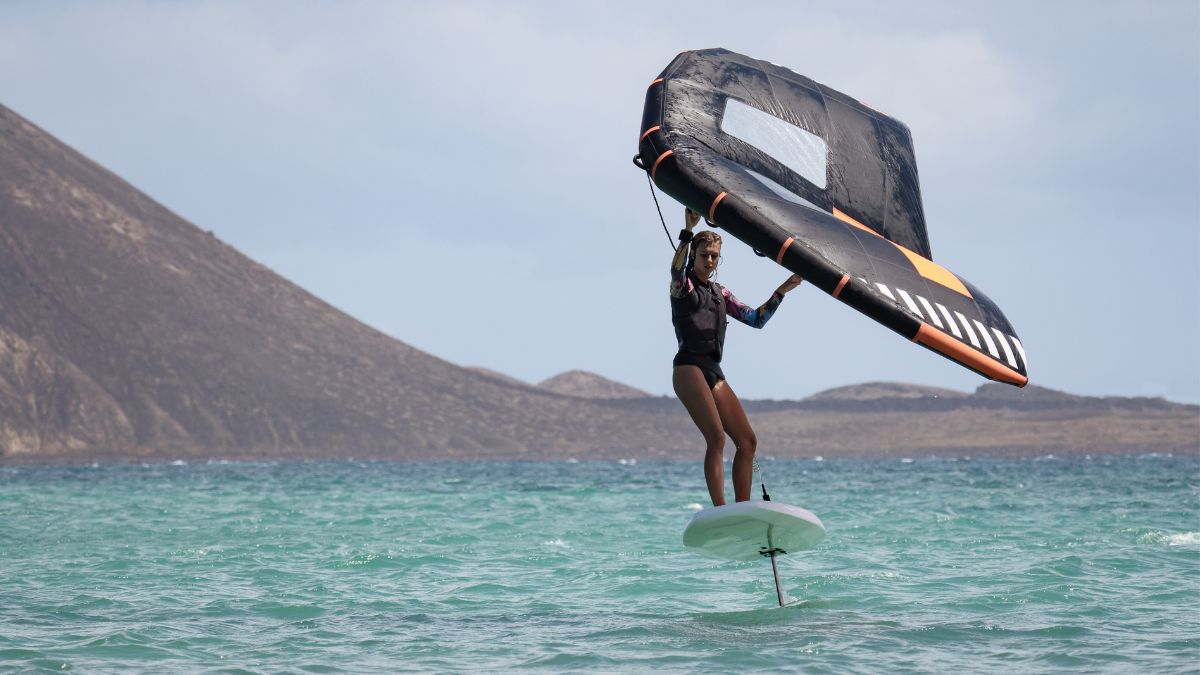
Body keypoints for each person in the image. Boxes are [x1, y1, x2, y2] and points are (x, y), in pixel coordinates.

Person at [670, 207, 802, 507]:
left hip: (713, 370)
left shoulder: (721, 294)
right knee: (716, 437)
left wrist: (783, 290)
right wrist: (687, 232)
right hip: (688, 366)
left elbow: (756, 319)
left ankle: (742, 509)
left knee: (747, 441)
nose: (710, 261)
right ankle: (720, 510)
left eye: (715, 256)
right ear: (695, 255)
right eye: (705, 255)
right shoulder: (683, 286)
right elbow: (676, 270)